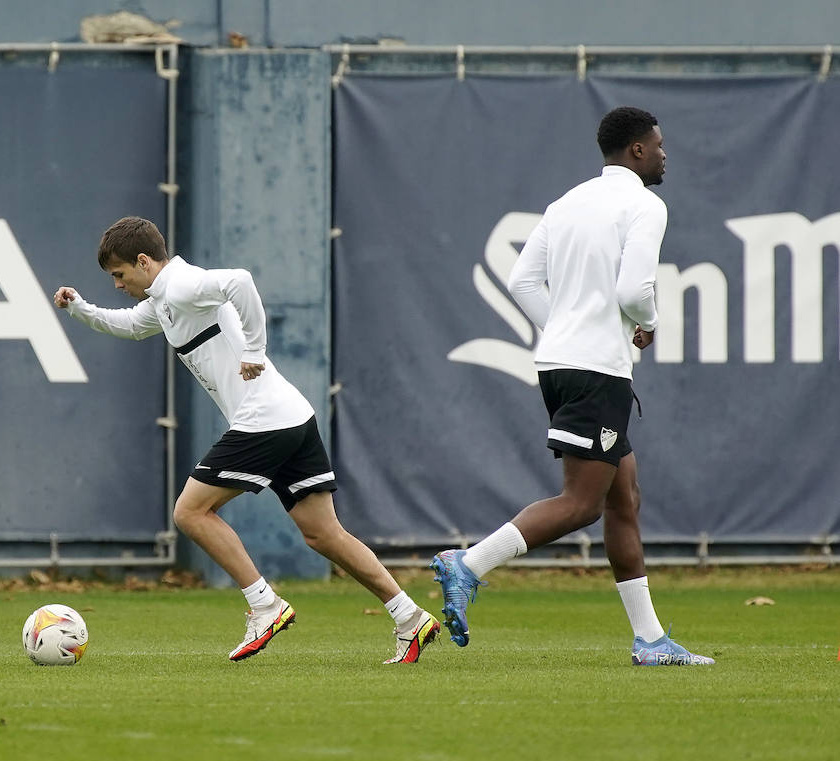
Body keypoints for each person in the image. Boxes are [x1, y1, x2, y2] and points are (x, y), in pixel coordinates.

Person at [54, 216, 440, 664]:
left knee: (190, 511)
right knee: (323, 534)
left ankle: (265, 605)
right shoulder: (162, 300)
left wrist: (255, 350)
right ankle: (410, 617)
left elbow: (240, 281)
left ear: (143, 261)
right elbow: (128, 326)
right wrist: (79, 307)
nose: (117, 285)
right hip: (292, 415)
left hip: (264, 419)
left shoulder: (181, 285)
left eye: (120, 275)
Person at [430, 107, 713, 666]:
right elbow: (635, 292)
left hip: (559, 363)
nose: (663, 154)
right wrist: (647, 323)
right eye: (657, 145)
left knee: (623, 499)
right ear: (636, 150)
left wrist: (561, 328)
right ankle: (468, 565)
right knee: (581, 504)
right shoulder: (646, 205)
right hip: (597, 369)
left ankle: (651, 640)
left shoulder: (566, 202)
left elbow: (523, 280)